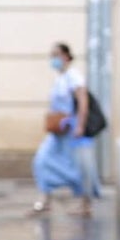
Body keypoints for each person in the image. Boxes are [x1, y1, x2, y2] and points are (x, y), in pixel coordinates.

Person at [31, 42, 100, 217]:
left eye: (56, 55)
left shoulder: (74, 77)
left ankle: (85, 204)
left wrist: (80, 126)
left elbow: (83, 102)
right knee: (42, 160)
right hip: (59, 132)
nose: (53, 59)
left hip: (73, 131)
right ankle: (45, 198)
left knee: (80, 166)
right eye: (51, 55)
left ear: (66, 56)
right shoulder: (60, 78)